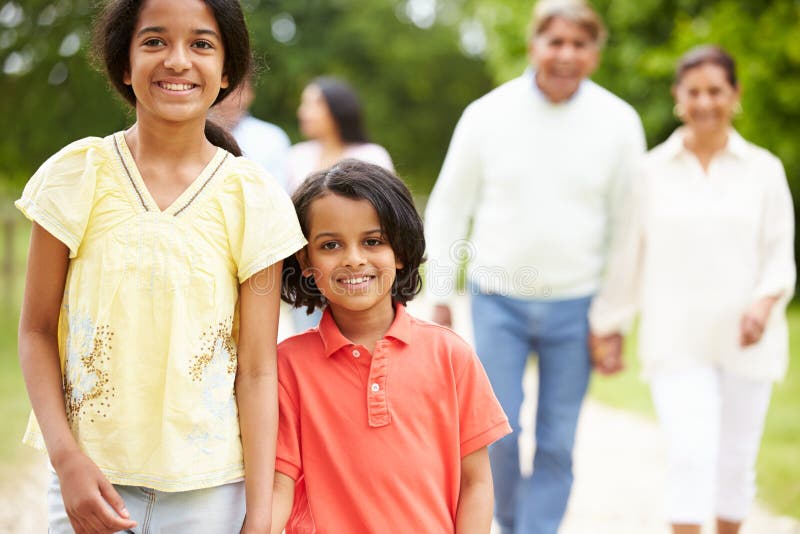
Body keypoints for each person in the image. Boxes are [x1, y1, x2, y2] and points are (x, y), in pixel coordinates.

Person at [14, 0, 306, 532]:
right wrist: (67, 460)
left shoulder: (253, 197)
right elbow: (35, 331)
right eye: (154, 41)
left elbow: (259, 369)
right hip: (90, 485)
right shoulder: (76, 176)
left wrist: (260, 517)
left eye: (201, 44)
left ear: (226, 72)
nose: (177, 60)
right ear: (124, 65)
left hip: (212, 494)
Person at [424, 0, 646, 532]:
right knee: (496, 433)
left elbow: (629, 228)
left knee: (557, 441)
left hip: (578, 305)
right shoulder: (487, 114)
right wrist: (440, 293)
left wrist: (612, 318)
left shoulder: (619, 123)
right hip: (497, 297)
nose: (565, 54)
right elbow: (451, 205)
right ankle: (509, 519)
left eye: (579, 44)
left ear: (594, 54)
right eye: (555, 42)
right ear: (534, 46)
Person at [589, 45, 795, 534]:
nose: (705, 102)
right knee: (690, 453)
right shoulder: (650, 172)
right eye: (694, 92)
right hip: (676, 340)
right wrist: (608, 327)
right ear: (677, 97)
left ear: (735, 95)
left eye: (716, 91)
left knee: (736, 460)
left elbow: (779, 255)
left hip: (749, 341)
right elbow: (626, 260)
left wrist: (764, 305)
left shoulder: (765, 170)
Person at [272, 159, 511, 533]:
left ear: (399, 251)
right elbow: (278, 485)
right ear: (306, 261)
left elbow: (477, 482)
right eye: (331, 244)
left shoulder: (450, 355)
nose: (354, 259)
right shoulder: (287, 366)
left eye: (373, 241)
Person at [286, 76, 394, 332]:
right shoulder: (297, 156)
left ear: (336, 109)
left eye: (312, 105)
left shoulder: (371, 155)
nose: (303, 113)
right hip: (314, 270)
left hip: (359, 276)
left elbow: (389, 217)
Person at [212, 75, 292, 188]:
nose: (230, 98)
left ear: (250, 94)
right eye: (224, 91)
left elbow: (279, 187)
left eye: (238, 90)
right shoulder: (193, 135)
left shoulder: (272, 137)